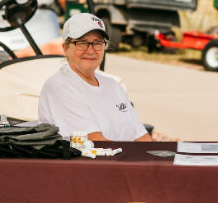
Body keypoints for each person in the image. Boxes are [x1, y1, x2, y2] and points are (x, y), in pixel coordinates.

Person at [38, 14, 153, 142]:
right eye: (82, 43)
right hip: (93, 161)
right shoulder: (60, 87)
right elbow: (96, 142)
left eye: (97, 43)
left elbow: (142, 137)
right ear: (65, 48)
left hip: (123, 159)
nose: (91, 50)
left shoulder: (113, 85)